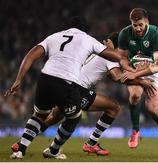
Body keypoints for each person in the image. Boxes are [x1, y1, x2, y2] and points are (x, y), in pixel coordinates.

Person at [4, 16, 125, 159]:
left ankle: (20, 149)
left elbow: (31, 55)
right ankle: (56, 149)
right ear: (85, 29)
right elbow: (115, 61)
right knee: (76, 116)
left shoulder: (54, 36)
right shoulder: (88, 39)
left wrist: (18, 80)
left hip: (45, 78)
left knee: (41, 116)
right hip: (68, 83)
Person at [118, 8, 158, 149]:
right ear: (131, 23)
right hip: (134, 69)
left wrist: (135, 74)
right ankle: (135, 131)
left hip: (151, 72)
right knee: (135, 95)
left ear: (146, 22)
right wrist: (130, 70)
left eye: (140, 25)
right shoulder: (125, 34)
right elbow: (121, 58)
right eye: (134, 25)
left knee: (152, 110)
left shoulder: (155, 33)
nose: (138, 28)